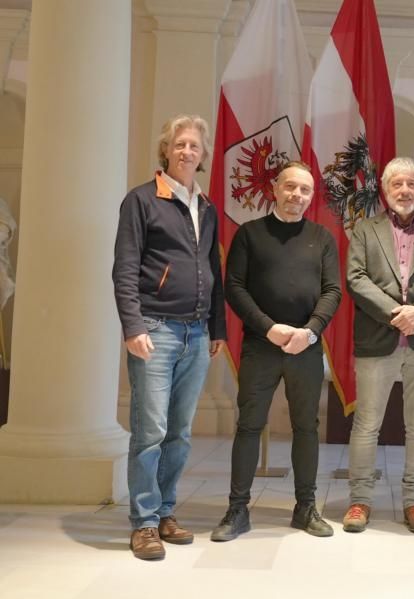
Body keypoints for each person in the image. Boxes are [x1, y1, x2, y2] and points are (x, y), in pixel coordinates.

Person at [112, 114, 227, 560]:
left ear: (203, 154)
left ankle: (164, 512)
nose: (186, 152)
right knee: (151, 431)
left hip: (197, 333)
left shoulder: (207, 208)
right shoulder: (141, 200)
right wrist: (133, 326)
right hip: (155, 329)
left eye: (194, 146)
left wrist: (217, 327)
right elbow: (125, 268)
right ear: (166, 150)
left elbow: (213, 271)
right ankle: (143, 523)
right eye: (179, 144)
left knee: (179, 432)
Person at [210, 161, 341, 541]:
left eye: (304, 190)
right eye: (290, 187)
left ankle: (305, 508)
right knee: (249, 425)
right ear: (275, 189)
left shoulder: (322, 237)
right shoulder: (250, 234)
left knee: (306, 427)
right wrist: (269, 328)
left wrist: (310, 331)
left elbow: (333, 290)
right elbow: (234, 287)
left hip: (306, 347)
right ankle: (237, 509)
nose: (296, 195)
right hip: (260, 345)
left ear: (311, 197)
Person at [343, 157, 414, 534]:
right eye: (397, 184)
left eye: (411, 184)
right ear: (385, 190)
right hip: (378, 338)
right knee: (366, 424)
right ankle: (360, 500)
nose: (404, 191)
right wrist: (397, 313)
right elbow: (356, 278)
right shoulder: (365, 230)